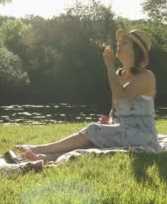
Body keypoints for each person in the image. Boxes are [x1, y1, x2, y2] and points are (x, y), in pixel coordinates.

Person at [14, 29, 158, 164]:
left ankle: (40, 149)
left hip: (142, 135)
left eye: (125, 43)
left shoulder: (146, 77)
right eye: (119, 42)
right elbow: (115, 108)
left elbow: (121, 96)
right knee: (93, 141)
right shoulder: (119, 74)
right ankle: (44, 157)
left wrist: (109, 66)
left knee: (93, 131)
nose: (118, 44)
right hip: (122, 129)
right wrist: (110, 121)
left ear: (136, 52)